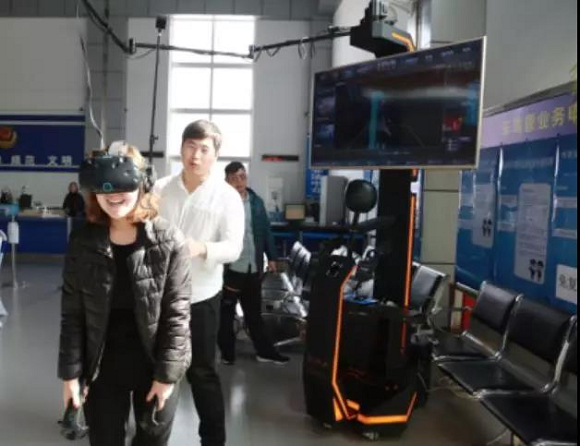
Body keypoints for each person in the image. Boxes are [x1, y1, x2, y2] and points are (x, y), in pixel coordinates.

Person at [58, 145, 192, 446]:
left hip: (154, 364)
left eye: (123, 183)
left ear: (143, 183)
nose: (114, 194)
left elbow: (178, 315)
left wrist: (167, 376)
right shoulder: (82, 242)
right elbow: (72, 315)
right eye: (105, 185)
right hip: (102, 367)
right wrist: (71, 377)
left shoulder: (168, 240)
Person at [155, 120, 244, 446]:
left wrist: (201, 248)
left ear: (215, 155)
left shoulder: (227, 197)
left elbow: (233, 248)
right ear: (181, 148)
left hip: (201, 297)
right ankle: (151, 436)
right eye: (190, 147)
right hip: (158, 295)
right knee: (154, 369)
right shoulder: (161, 189)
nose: (195, 155)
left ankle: (213, 441)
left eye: (204, 149)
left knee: (202, 373)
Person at [218, 162, 290, 366]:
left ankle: (265, 352)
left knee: (254, 314)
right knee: (226, 315)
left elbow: (265, 231)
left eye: (242, 177)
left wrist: (272, 257)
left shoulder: (256, 202)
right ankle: (227, 354)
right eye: (234, 178)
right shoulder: (221, 204)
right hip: (231, 268)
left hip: (253, 267)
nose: (239, 182)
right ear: (226, 181)